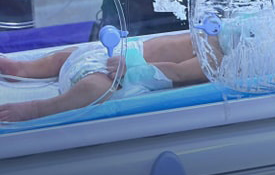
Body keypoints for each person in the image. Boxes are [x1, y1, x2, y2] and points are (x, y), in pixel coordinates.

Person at [0, 33, 202, 122]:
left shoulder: (215, 61)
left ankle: (38, 109)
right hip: (113, 52)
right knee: (65, 57)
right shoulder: (214, 30)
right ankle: (23, 69)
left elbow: (177, 72)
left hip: (121, 74)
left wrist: (133, 66)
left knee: (95, 88)